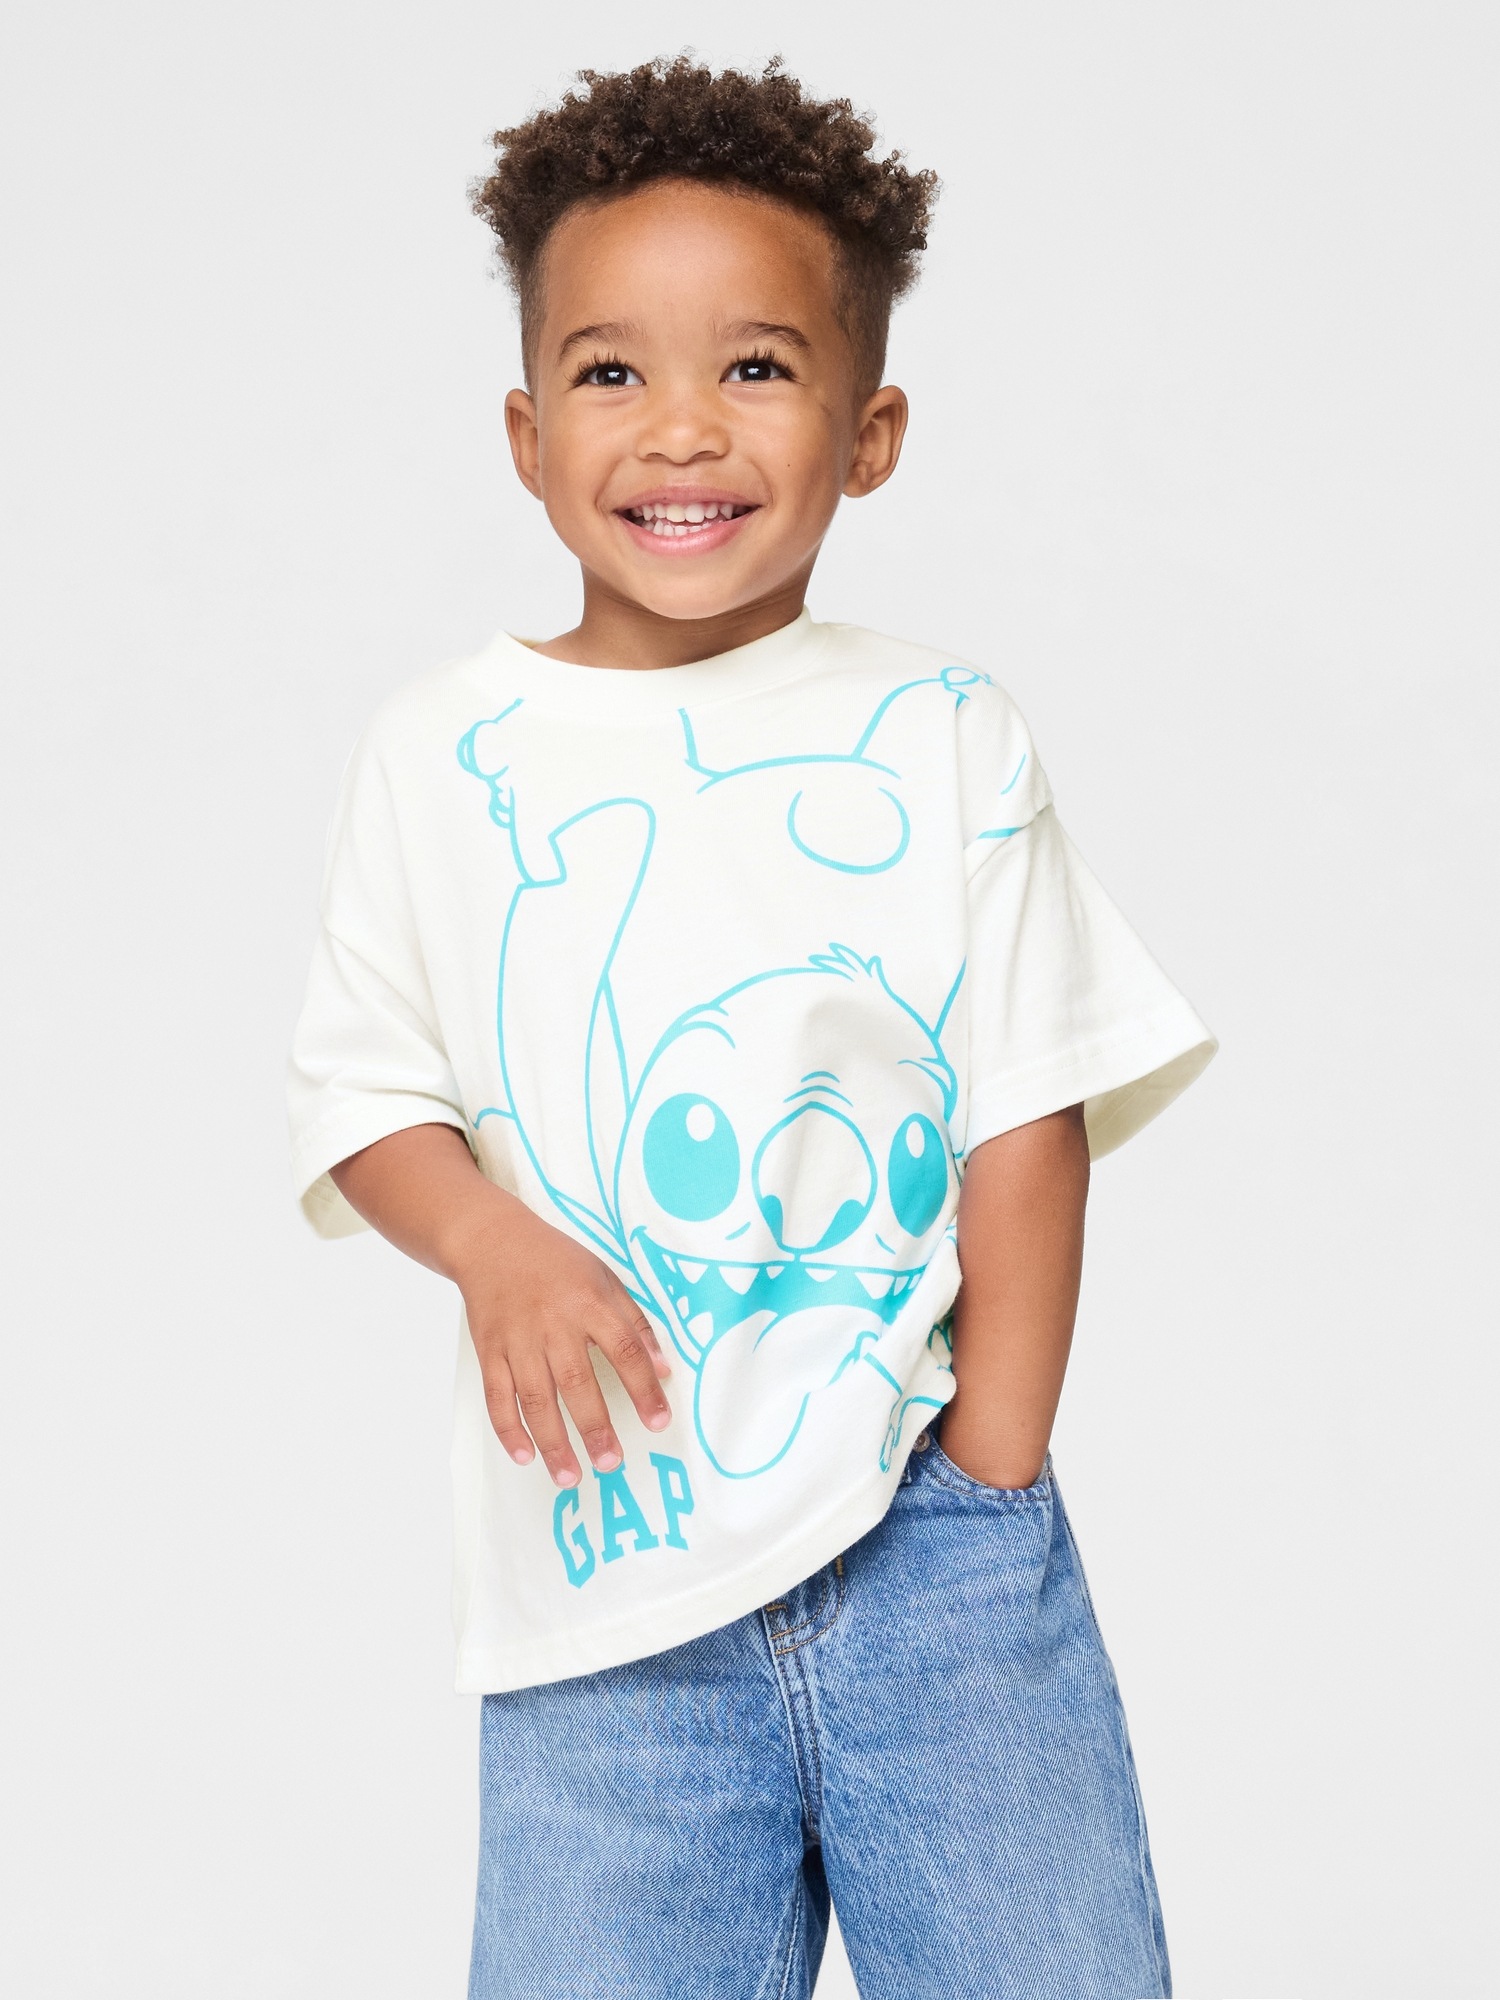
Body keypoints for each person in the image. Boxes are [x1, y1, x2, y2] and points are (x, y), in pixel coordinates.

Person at [286, 55, 1217, 2000]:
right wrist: (492, 1248)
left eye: (759, 367)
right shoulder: (443, 751)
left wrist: (992, 1473)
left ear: (871, 432)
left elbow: (1029, 1110)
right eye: (612, 372)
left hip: (933, 1560)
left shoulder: (939, 733)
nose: (683, 427)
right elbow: (367, 1092)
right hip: (601, 1601)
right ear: (527, 434)